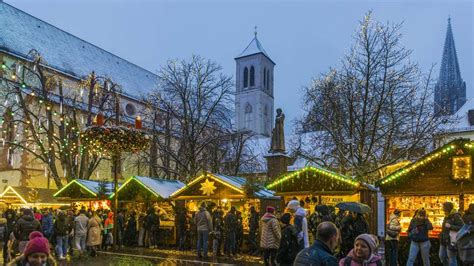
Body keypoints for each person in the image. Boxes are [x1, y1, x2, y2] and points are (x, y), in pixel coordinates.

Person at [439, 202, 463, 266]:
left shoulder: (456, 216)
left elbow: (462, 227)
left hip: (451, 240)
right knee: (442, 256)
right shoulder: (446, 216)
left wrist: (451, 226)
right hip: (444, 240)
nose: (442, 209)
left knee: (452, 258)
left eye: (443, 207)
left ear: (448, 208)